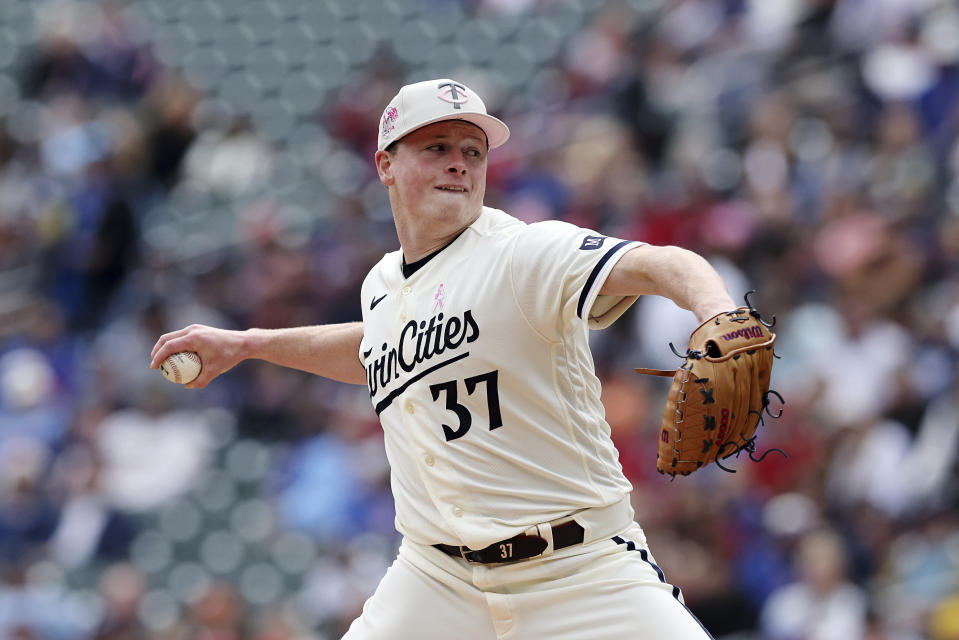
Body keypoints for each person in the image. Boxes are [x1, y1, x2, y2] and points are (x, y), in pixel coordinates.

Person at [151, 78, 735, 639]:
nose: (459, 163)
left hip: (578, 569)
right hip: (438, 578)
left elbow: (664, 263)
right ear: (385, 164)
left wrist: (717, 315)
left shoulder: (523, 253)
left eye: (472, 151)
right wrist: (252, 344)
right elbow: (380, 347)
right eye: (437, 148)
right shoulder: (382, 284)